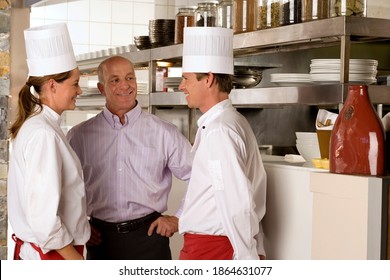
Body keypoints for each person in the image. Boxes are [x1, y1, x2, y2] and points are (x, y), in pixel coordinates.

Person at [66, 55, 193, 260]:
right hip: (100, 241)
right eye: (115, 80)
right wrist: (78, 222)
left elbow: (199, 176)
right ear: (101, 88)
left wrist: (179, 218)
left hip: (149, 238)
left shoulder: (164, 132)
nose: (124, 85)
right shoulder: (79, 136)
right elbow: (64, 187)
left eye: (130, 78)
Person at [178, 27, 267, 260]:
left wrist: (249, 258)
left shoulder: (220, 130)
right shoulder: (230, 121)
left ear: (208, 79)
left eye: (185, 79)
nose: (181, 86)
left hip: (214, 249)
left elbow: (236, 201)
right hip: (212, 245)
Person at [7, 23, 90, 260]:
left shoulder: (40, 126)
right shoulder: (43, 134)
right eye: (75, 84)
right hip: (54, 254)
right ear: (52, 85)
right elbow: (44, 218)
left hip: (52, 250)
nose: (79, 91)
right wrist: (76, 261)